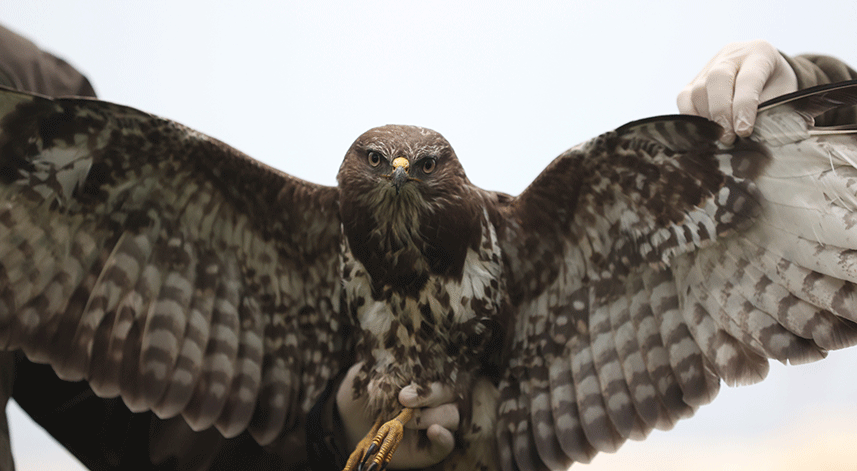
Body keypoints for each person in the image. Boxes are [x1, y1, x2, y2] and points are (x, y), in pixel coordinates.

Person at [0, 25, 854, 470]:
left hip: (495, 426)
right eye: (380, 164)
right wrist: (349, 428)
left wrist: (791, 98)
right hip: (373, 423)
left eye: (420, 165)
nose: (401, 175)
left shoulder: (558, 223)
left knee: (672, 161)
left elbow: (169, 450)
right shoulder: (287, 229)